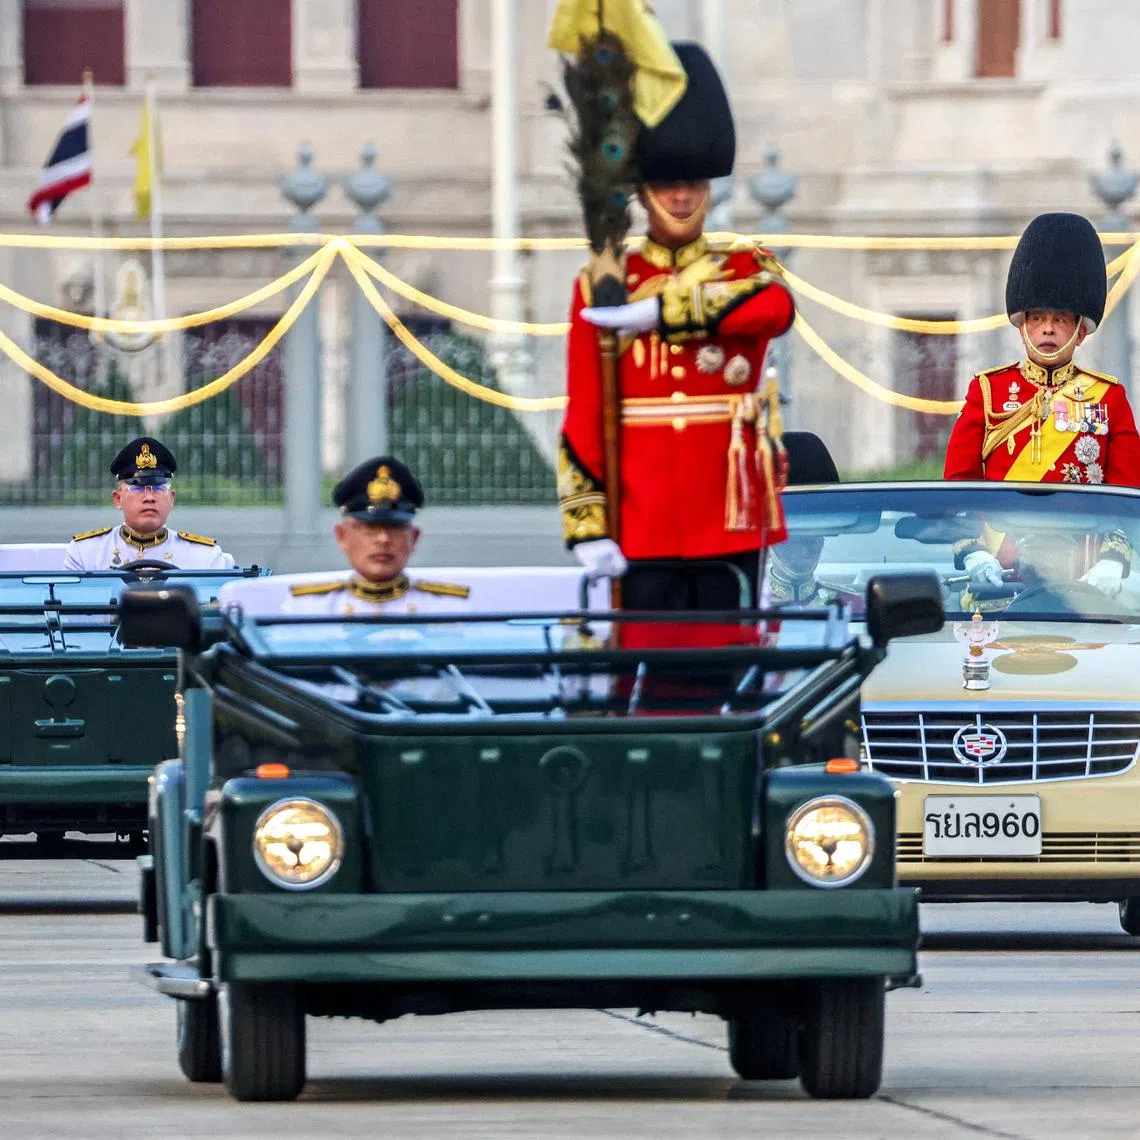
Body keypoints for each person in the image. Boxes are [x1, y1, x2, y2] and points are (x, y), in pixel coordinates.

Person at [557, 42, 795, 611]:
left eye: (693, 182)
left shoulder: (746, 265)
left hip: (730, 512)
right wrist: (586, 524)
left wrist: (664, 312)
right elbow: (585, 413)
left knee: (732, 670)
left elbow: (774, 309)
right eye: (667, 184)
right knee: (649, 679)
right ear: (640, 191)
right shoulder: (603, 283)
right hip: (642, 518)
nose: (682, 195)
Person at [284, 456, 469, 615]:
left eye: (395, 528)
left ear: (414, 538)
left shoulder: (447, 609)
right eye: (370, 528)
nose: (383, 539)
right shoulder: (308, 608)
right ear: (342, 536)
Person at [63, 437, 236, 571]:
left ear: (172, 499)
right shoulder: (85, 553)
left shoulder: (204, 557)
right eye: (137, 489)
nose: (149, 497)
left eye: (158, 488)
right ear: (118, 499)